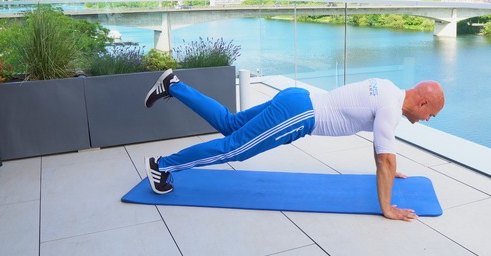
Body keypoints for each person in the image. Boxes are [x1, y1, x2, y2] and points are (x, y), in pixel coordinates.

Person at [144, 69, 445, 221]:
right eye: (431, 113)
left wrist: (391, 170)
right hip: (299, 115)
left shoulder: (389, 89)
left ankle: (173, 85)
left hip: (296, 97)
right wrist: (387, 208)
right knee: (233, 148)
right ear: (422, 101)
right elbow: (384, 160)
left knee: (231, 124)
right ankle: (162, 167)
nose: (429, 119)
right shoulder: (391, 109)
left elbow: (383, 153)